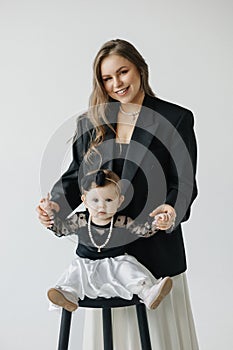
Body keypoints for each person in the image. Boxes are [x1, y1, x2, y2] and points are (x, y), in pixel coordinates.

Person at [37, 39, 199, 349]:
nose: (116, 84)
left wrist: (171, 210)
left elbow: (185, 183)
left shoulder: (176, 119)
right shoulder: (91, 122)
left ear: (140, 68)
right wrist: (54, 206)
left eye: (122, 72)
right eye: (107, 78)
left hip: (156, 255)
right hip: (102, 257)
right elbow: (76, 177)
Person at [40, 169, 173, 312]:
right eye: (95, 200)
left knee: (129, 270)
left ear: (119, 201)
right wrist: (50, 214)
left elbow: (143, 231)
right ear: (84, 200)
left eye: (109, 200)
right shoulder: (81, 220)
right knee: (76, 272)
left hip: (116, 262)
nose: (101, 206)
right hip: (87, 262)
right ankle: (68, 294)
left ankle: (147, 292)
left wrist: (156, 222)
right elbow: (61, 229)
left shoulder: (121, 221)